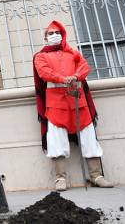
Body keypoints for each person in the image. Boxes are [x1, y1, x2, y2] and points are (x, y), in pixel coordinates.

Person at [33, 20, 114, 191]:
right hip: (55, 102)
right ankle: (60, 178)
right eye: (50, 33)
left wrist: (76, 76)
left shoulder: (73, 53)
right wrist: (63, 79)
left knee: (88, 135)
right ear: (45, 38)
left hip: (78, 100)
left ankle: (96, 175)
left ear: (62, 35)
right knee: (56, 138)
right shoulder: (40, 56)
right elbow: (44, 72)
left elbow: (84, 67)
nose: (54, 36)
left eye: (57, 33)